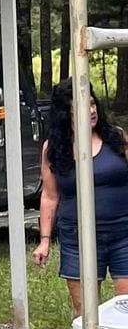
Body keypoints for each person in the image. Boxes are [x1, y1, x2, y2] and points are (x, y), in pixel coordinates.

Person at [34, 82, 128, 312]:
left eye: (93, 103)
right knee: (85, 312)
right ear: (66, 114)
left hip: (122, 234)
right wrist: (45, 240)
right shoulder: (53, 149)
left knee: (124, 310)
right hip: (78, 238)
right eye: (82, 106)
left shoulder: (116, 138)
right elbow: (49, 195)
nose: (91, 111)